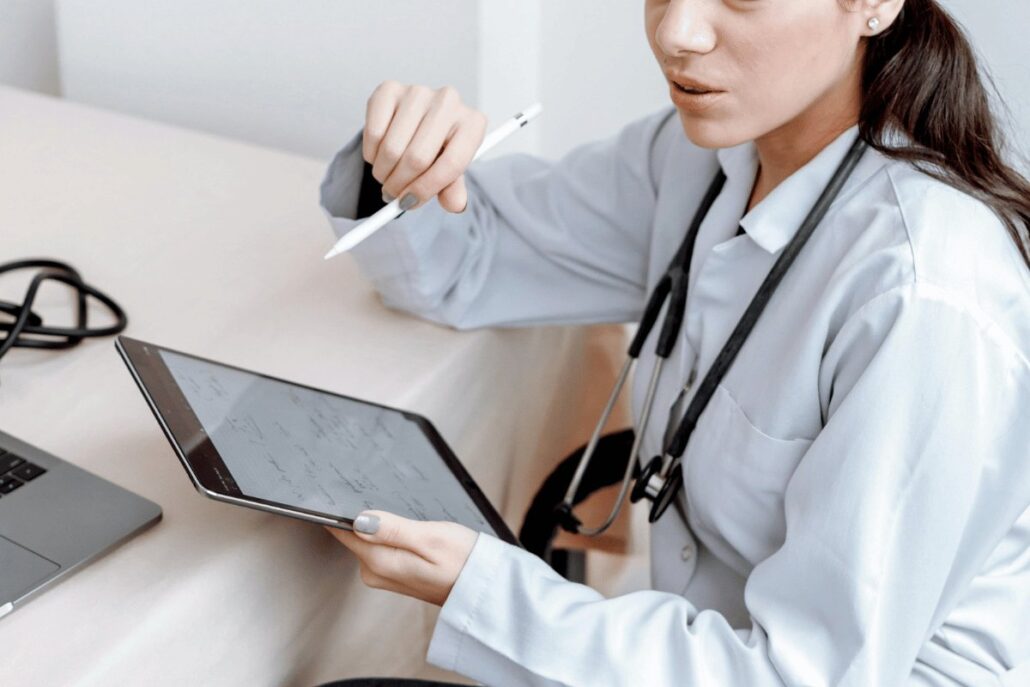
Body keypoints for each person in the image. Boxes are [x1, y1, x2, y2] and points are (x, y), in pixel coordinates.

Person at [316, 0, 1030, 684]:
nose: (676, 32)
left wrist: (490, 593)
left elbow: (801, 676)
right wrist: (402, 163)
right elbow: (472, 257)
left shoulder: (926, 297)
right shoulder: (703, 160)